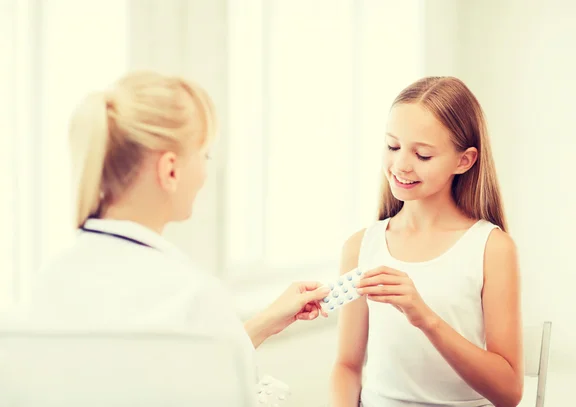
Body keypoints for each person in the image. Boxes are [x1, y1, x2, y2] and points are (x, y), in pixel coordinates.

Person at [20, 70, 330, 385]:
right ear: (170, 170)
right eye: (204, 155)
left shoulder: (48, 281)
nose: (205, 174)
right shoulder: (191, 294)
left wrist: (264, 321)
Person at [329, 77, 523, 407]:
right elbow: (347, 365)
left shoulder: (492, 248)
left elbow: (509, 393)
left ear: (464, 160)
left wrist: (425, 318)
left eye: (422, 154)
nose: (401, 165)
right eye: (393, 147)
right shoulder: (361, 246)